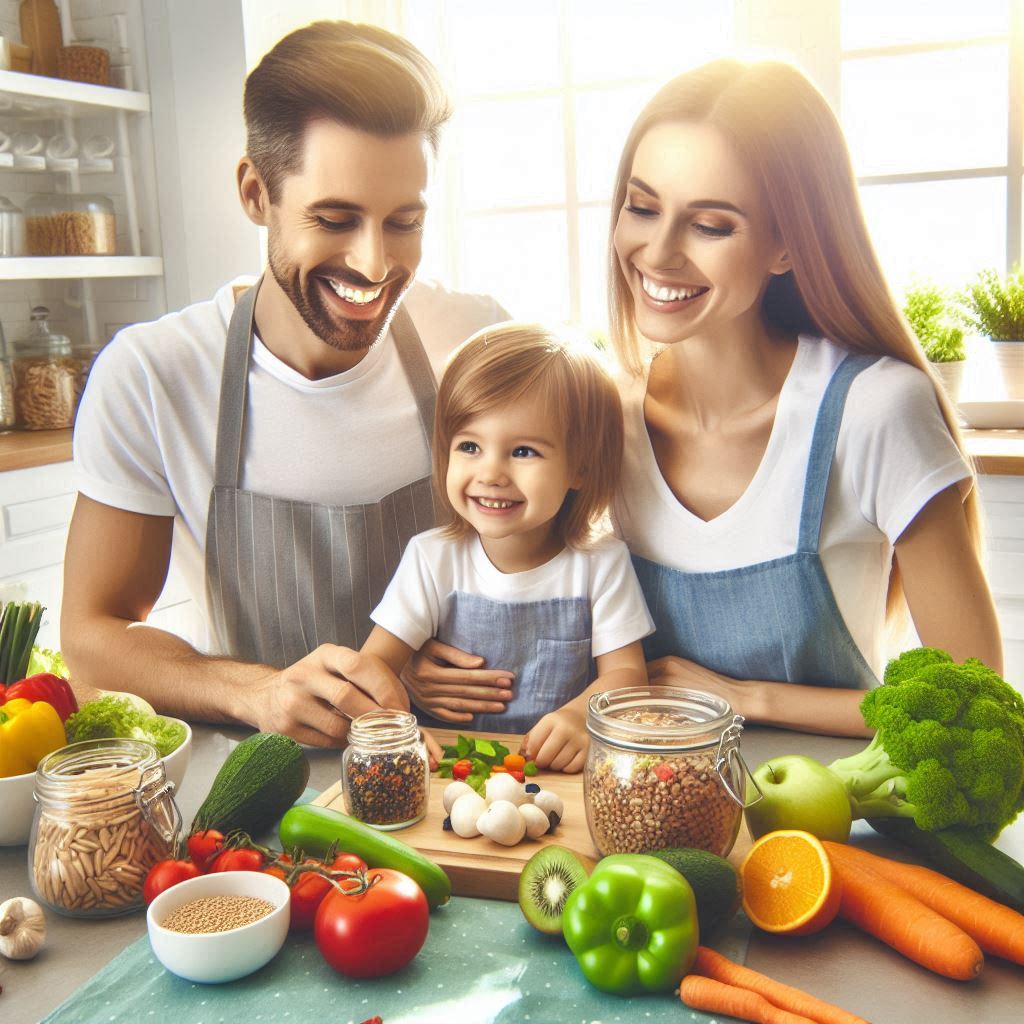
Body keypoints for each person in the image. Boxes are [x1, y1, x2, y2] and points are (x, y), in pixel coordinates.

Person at [402, 58, 1003, 739]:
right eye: (643, 206)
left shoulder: (873, 411)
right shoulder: (604, 415)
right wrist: (428, 664)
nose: (657, 253)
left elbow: (971, 705)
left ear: (785, 243)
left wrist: (744, 696)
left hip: (821, 827)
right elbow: (542, 592)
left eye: (711, 225)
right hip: (637, 814)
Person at [60, 21, 507, 750]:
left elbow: (560, 548)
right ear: (255, 192)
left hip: (467, 764)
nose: (373, 263)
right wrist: (256, 690)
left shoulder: (473, 341)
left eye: (405, 222)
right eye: (334, 219)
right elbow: (92, 637)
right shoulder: (152, 375)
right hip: (268, 782)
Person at [363, 324, 654, 771]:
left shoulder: (602, 563)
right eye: (470, 446)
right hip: (445, 773)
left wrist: (581, 716)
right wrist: (396, 729)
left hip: (554, 777)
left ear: (579, 468)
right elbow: (375, 665)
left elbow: (627, 675)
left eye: (523, 452)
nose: (491, 472)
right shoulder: (431, 558)